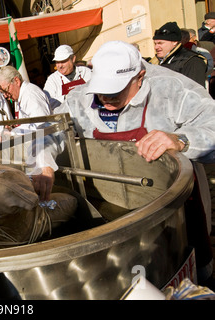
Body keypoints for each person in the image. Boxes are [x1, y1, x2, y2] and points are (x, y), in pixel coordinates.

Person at [36, 40, 215, 287]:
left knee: (188, 267)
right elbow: (49, 131)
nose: (106, 99)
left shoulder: (171, 89)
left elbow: (212, 123)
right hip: (112, 201)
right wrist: (45, 165)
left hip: (173, 206)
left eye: (115, 92)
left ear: (140, 77)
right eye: (102, 91)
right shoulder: (80, 99)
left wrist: (181, 139)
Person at [0, 65, 51, 134]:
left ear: (16, 81)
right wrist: (13, 128)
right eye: (2, 93)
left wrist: (13, 132)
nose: (5, 95)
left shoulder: (30, 94)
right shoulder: (18, 96)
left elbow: (41, 125)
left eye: (6, 90)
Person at [150, 21, 207, 87]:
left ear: (174, 42)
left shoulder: (192, 61)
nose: (156, 47)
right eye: (155, 43)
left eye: (160, 43)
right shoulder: (155, 62)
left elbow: (195, 92)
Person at [43, 45, 92, 110]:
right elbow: (47, 102)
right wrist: (67, 97)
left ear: (73, 59)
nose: (60, 66)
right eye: (57, 62)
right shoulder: (52, 80)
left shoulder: (85, 72)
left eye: (63, 61)